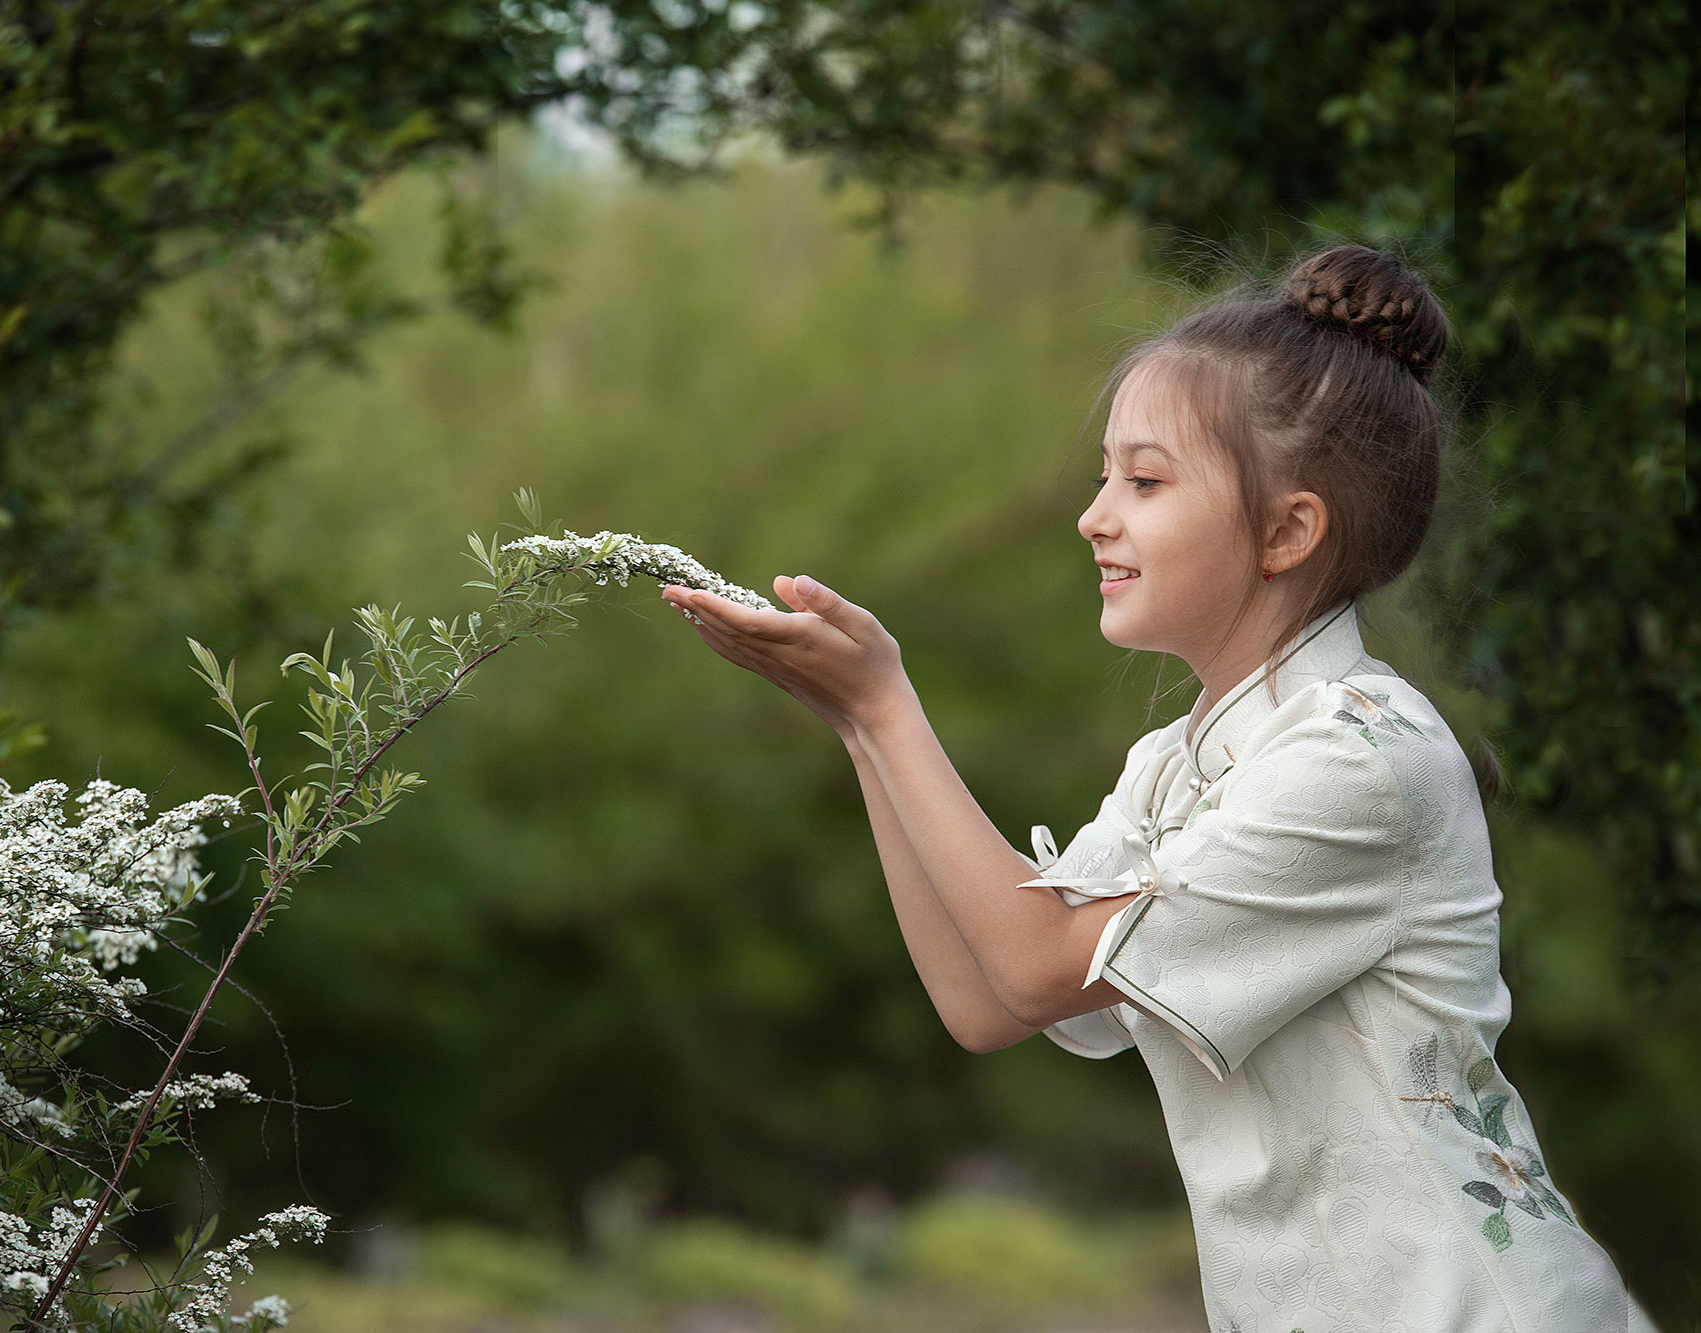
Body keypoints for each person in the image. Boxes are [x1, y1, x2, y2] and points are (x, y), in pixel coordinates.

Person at [660, 245, 1646, 1331]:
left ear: (1285, 530)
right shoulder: (1174, 764)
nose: (1094, 516)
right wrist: (859, 729)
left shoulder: (1362, 761)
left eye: (1143, 479)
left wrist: (892, 707)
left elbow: (1033, 968)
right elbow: (986, 1003)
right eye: (1101, 476)